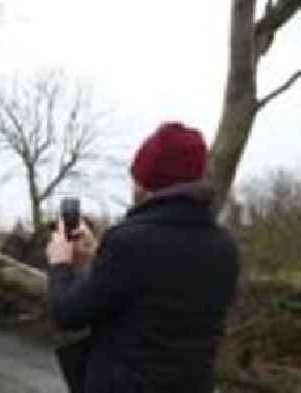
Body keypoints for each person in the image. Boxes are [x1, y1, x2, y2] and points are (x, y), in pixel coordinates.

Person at [46, 122, 240, 393]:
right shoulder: (225, 246)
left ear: (148, 182)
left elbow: (68, 313)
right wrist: (98, 256)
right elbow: (153, 294)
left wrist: (60, 264)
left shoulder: (128, 242)